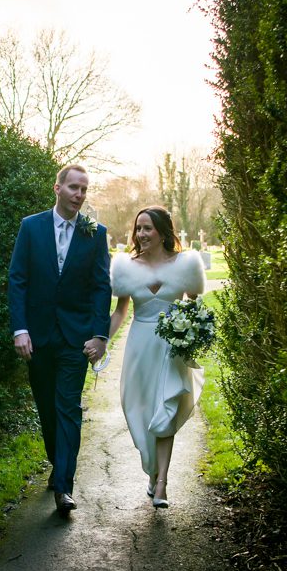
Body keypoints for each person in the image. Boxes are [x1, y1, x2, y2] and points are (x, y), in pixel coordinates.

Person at [8, 165, 112, 515]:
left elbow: (101, 286)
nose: (79, 195)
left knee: (68, 407)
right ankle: (58, 463)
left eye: (84, 189)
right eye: (73, 188)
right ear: (57, 188)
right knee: (47, 409)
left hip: (74, 338)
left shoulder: (95, 234)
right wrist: (19, 329)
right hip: (37, 337)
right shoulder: (31, 227)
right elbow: (18, 279)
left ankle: (64, 486)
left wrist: (100, 335)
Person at [107, 205, 206, 508]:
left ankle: (161, 483)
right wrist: (102, 340)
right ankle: (152, 472)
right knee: (137, 411)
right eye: (138, 228)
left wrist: (190, 332)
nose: (142, 234)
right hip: (139, 347)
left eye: (147, 228)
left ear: (163, 232)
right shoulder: (126, 267)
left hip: (170, 348)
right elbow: (121, 311)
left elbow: (194, 307)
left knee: (165, 410)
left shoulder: (186, 264)